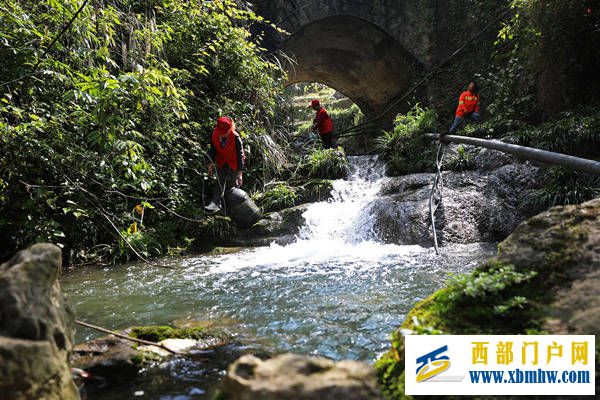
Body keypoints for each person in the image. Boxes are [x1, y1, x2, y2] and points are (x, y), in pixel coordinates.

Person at [205, 116, 245, 212]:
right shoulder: (215, 134)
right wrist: (210, 163)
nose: (222, 134)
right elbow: (213, 150)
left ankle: (234, 208)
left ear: (230, 128)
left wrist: (240, 173)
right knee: (220, 181)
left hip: (234, 161)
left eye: (225, 132)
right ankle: (215, 204)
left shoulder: (235, 137)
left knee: (234, 184)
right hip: (222, 160)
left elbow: (240, 155)